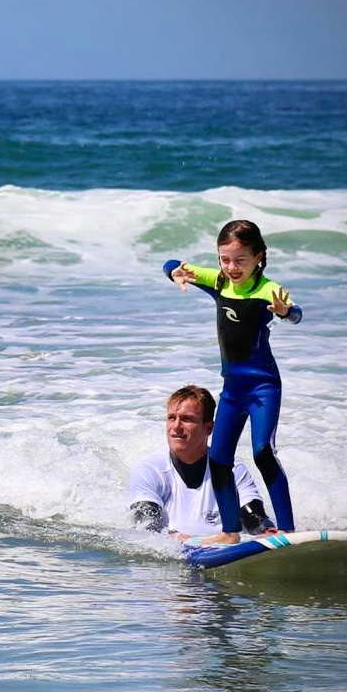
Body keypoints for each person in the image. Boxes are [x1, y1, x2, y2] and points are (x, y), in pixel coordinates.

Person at [163, 220, 301, 544]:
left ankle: (287, 529)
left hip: (263, 387)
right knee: (219, 459)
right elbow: (171, 264)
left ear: (259, 257)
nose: (232, 267)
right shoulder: (219, 282)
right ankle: (229, 532)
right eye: (225, 259)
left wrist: (285, 312)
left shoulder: (268, 289)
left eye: (240, 260)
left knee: (263, 451)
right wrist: (174, 273)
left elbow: (296, 313)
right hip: (232, 391)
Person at [129, 385, 276, 538]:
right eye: (171, 418)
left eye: (186, 419)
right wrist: (177, 538)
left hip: (221, 545)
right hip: (177, 548)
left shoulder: (233, 469)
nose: (176, 426)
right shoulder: (148, 470)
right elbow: (147, 529)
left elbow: (255, 518)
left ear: (209, 428)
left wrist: (267, 531)